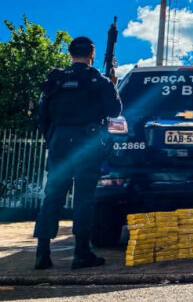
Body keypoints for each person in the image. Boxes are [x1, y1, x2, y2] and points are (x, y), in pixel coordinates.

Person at [33, 36, 122, 270]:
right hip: (87, 142)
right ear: (92, 53)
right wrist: (113, 83)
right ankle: (81, 253)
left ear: (70, 53)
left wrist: (51, 140)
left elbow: (43, 115)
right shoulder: (98, 80)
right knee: (84, 197)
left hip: (60, 141)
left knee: (52, 195)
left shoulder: (56, 79)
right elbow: (115, 110)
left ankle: (42, 254)